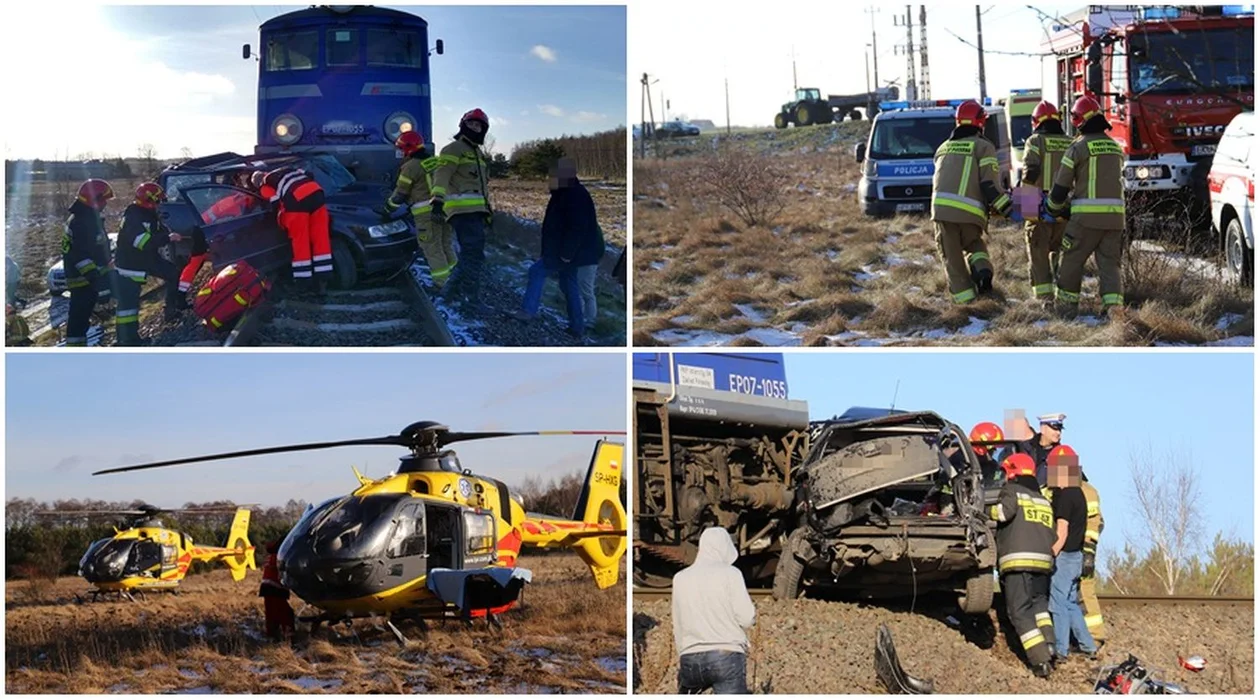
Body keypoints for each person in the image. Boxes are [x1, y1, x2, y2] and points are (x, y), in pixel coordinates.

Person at [1046, 95, 1126, 319]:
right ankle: (1114, 311)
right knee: (1110, 265)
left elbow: (1061, 187)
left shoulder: (1077, 148)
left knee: (1071, 260)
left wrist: (1052, 209)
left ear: (1079, 120)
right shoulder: (1115, 147)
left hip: (1085, 221)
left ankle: (1066, 309)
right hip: (1115, 220)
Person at [929, 100, 1015, 305]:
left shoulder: (943, 147)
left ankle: (966, 304)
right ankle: (983, 275)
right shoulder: (983, 147)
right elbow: (989, 184)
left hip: (942, 213)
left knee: (952, 259)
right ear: (980, 122)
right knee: (975, 245)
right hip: (970, 214)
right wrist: (1007, 208)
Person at [516, 157, 603, 338]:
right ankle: (577, 326)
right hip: (569, 251)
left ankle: (527, 311)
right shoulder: (564, 192)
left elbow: (577, 226)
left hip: (566, 251)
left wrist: (566, 253)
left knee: (536, 272)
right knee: (569, 285)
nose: (551, 178)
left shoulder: (574, 194)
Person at [989, 453, 1057, 678]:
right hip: (1043, 564)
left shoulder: (1012, 491)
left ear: (1012, 471)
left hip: (1018, 561)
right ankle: (1049, 645)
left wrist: (984, 510)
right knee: (1039, 608)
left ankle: (1040, 660)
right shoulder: (1043, 500)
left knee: (1019, 612)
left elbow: (1002, 513)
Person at [672, 527, 755, 694]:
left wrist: (684, 652)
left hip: (690, 656)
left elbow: (678, 624)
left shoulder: (680, 578)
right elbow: (747, 618)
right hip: (726, 656)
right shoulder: (731, 574)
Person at [431, 108, 492, 311]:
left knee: (469, 255)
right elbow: (442, 174)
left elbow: (482, 186)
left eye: (479, 126)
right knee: (474, 256)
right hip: (461, 212)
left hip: (475, 213)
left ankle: (447, 294)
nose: (475, 128)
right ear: (463, 126)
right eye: (472, 124)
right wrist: (437, 200)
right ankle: (471, 300)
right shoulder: (453, 149)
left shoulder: (477, 153)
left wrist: (487, 211)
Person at [112, 183, 189, 345]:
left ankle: (171, 311)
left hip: (145, 258)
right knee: (128, 306)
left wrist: (169, 234)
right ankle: (126, 340)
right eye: (158, 201)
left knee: (173, 273)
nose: (160, 204)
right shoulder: (135, 216)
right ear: (149, 200)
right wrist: (167, 238)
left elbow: (157, 230)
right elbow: (142, 242)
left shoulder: (147, 213)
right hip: (131, 264)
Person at [386, 131, 457, 290]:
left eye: (402, 149)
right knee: (446, 244)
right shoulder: (437, 161)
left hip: (426, 214)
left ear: (408, 149)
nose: (401, 152)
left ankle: (442, 284)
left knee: (432, 248)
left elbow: (400, 194)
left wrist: (387, 208)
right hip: (446, 210)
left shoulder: (410, 167)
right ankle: (456, 277)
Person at [1046, 444, 1098, 662]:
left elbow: (1062, 530)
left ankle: (1061, 650)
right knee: (1070, 603)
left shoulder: (1066, 496)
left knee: (1057, 603)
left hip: (1065, 557)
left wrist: (1051, 553)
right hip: (1077, 556)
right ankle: (1088, 646)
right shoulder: (1079, 494)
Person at [1020, 101, 1074, 305]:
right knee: (1062, 251)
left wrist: (1024, 206)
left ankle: (1044, 299)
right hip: (1065, 204)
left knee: (1038, 252)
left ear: (1036, 121)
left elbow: (1030, 171)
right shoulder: (1071, 142)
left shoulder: (1035, 141)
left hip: (1037, 204)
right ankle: (1064, 295)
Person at [262, 166, 333, 292]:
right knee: (321, 237)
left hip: (297, 201)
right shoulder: (288, 169)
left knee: (300, 241)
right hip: (316, 192)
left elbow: (275, 203)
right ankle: (324, 280)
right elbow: (310, 173)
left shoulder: (265, 183)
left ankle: (303, 282)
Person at [62, 179, 115, 346]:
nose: (106, 203)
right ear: (94, 200)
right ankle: (75, 352)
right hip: (83, 280)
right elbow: (81, 257)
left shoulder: (88, 217)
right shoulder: (80, 222)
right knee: (78, 321)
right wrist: (98, 281)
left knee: (81, 320)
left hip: (90, 278)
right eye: (103, 199)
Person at [1068, 446, 1107, 646]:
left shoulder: (1087, 491)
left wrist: (1089, 550)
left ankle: (1095, 635)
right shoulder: (1054, 488)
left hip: (1083, 548)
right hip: (1066, 549)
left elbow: (1095, 522)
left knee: (1085, 589)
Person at [1015, 413, 1065, 487]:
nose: (1058, 433)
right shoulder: (1024, 447)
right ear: (1043, 429)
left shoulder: (1063, 454)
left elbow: (1074, 485)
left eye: (1060, 429)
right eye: (1054, 429)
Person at [259, 540, 295, 641]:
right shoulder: (279, 557)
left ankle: (272, 635)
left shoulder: (271, 556)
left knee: (271, 613)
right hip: (275, 588)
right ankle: (289, 636)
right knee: (286, 613)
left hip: (266, 587)